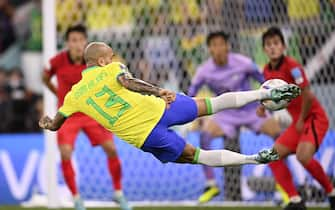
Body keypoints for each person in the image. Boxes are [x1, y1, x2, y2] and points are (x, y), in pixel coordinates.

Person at [39, 42, 300, 177]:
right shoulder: (112, 68)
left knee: (195, 155)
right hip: (162, 106)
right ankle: (263, 93)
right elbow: (128, 82)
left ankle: (253, 159)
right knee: (212, 103)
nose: (115, 58)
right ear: (103, 60)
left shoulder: (73, 95)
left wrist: (48, 122)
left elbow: (57, 122)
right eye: (112, 55)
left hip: (145, 135)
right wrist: (158, 90)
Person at [188, 31, 285, 203]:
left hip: (251, 111)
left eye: (221, 44)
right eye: (214, 45)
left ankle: (284, 184)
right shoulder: (204, 71)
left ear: (228, 46)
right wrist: (193, 116)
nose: (218, 49)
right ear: (209, 49)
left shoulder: (244, 63)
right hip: (226, 114)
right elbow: (191, 93)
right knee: (204, 136)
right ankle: (211, 185)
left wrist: (269, 106)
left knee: (280, 135)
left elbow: (265, 81)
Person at [42, 26, 130, 210]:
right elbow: (45, 77)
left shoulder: (93, 61)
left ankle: (118, 193)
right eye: (73, 40)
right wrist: (58, 94)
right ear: (67, 43)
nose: (77, 44)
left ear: (86, 42)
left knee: (111, 149)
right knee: (65, 152)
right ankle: (76, 199)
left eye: (81, 40)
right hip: (68, 114)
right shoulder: (57, 61)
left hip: (92, 112)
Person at [259, 26, 335, 210]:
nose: (272, 47)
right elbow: (270, 97)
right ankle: (295, 200)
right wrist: (262, 107)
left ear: (284, 46)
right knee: (272, 156)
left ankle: (331, 193)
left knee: (303, 156)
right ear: (264, 49)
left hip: (314, 118)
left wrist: (301, 120)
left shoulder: (293, 67)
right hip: (298, 121)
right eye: (268, 44)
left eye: (276, 43)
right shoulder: (266, 71)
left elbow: (307, 95)